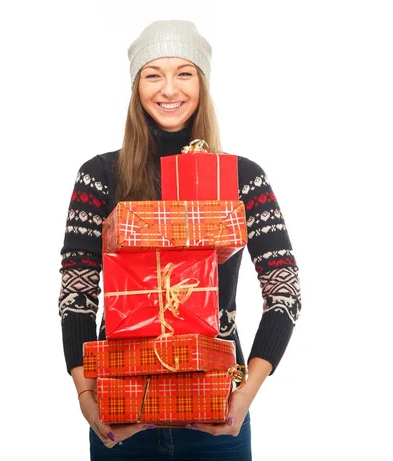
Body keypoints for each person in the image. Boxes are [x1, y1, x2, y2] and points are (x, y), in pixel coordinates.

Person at [58, 19, 302, 460]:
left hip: (217, 411)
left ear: (202, 83)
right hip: (121, 409)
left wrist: (247, 393)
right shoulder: (99, 176)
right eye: (153, 74)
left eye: (184, 73)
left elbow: (283, 284)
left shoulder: (242, 178)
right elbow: (77, 290)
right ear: (136, 87)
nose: (169, 89)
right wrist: (85, 397)